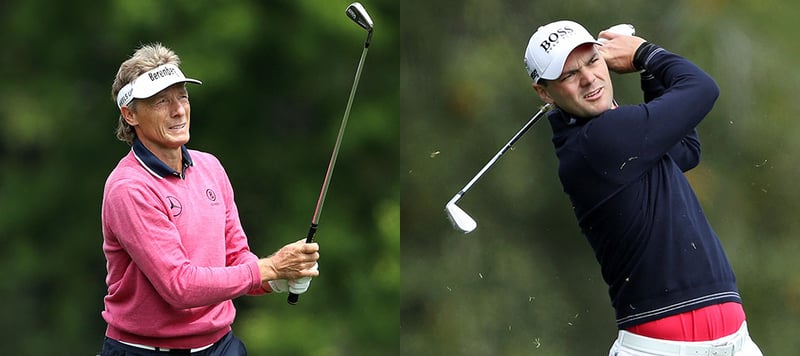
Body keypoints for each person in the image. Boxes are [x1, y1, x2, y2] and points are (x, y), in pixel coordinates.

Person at [523, 20, 762, 355]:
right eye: (568, 75)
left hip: (735, 341)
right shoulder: (597, 142)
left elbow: (685, 151)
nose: (589, 78)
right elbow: (702, 88)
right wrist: (645, 53)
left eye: (592, 60)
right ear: (544, 92)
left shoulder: (614, 136)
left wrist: (648, 75)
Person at [100, 43, 320, 355]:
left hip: (220, 345)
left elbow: (236, 258)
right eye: (161, 101)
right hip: (145, 349)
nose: (178, 110)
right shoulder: (129, 187)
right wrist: (269, 268)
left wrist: (280, 277)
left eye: (182, 96)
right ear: (130, 113)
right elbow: (180, 286)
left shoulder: (210, 167)